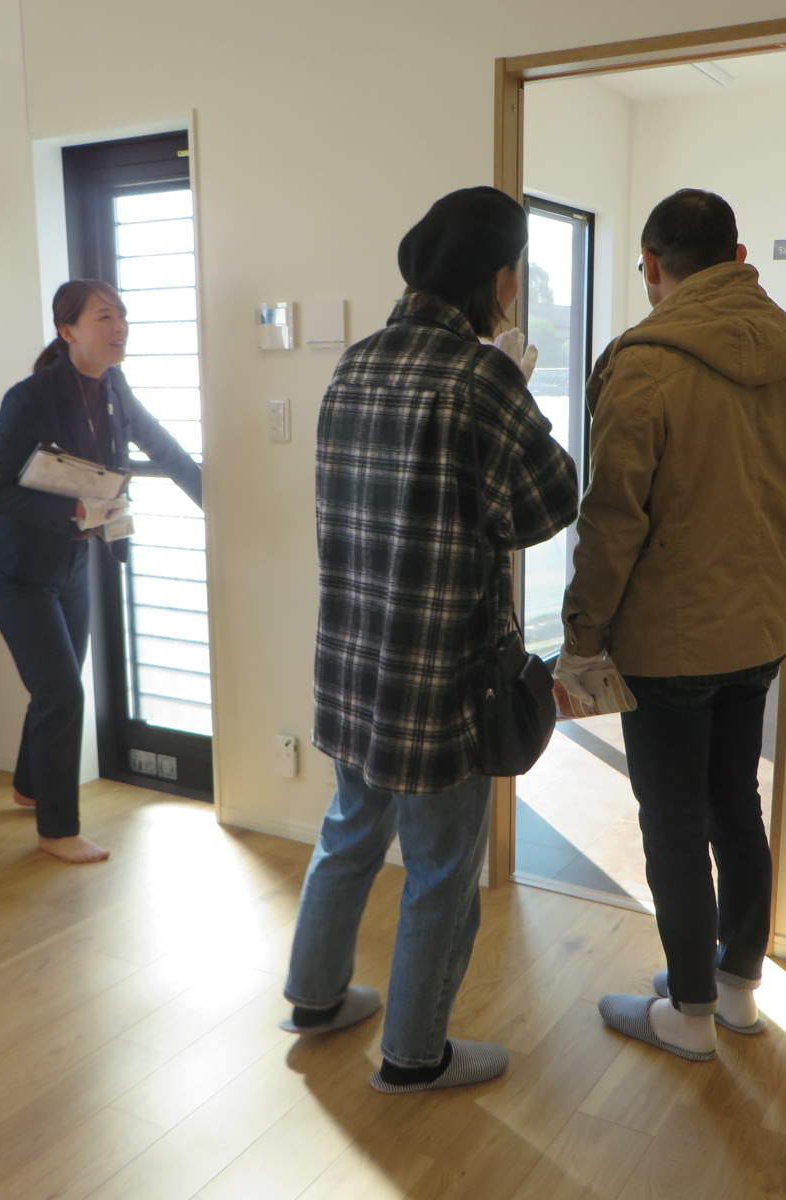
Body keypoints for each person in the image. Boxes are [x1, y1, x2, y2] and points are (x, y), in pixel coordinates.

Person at [281, 187, 578, 1093]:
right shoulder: (481, 377)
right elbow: (549, 504)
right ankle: (414, 1058)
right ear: (498, 278)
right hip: (442, 673)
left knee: (349, 831)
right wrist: (518, 388)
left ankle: (315, 997)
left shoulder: (354, 364)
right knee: (443, 868)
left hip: (352, 661)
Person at [556, 190, 786, 1060]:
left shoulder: (645, 364)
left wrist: (582, 636)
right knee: (736, 805)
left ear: (651, 265)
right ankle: (737, 988)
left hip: (670, 641)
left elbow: (613, 520)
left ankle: (690, 1013)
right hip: (759, 626)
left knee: (673, 822)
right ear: (738, 256)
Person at [0, 280, 202, 864]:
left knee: (54, 686)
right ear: (68, 330)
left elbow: (162, 447)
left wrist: (215, 500)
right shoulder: (31, 398)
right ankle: (57, 829)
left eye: (121, 315)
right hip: (17, 570)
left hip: (73, 562)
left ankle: (30, 787)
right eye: (104, 316)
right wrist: (74, 508)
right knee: (60, 691)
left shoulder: (114, 387)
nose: (119, 325)